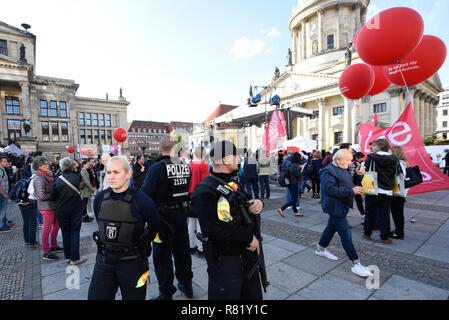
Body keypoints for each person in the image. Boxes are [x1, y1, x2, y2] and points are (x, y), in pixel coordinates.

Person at [191, 140, 265, 300]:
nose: (239, 159)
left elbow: (244, 204)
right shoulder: (205, 190)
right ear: (224, 159)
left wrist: (258, 203)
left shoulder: (231, 182)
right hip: (226, 263)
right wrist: (248, 237)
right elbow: (213, 228)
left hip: (246, 259)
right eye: (235, 155)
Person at [88, 156, 160, 300]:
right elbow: (100, 221)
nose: (111, 177)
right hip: (104, 259)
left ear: (128, 174)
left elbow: (154, 228)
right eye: (109, 172)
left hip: (133, 262)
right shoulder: (101, 198)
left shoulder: (142, 200)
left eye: (116, 172)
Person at [141, 136, 194, 300]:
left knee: (162, 256)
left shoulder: (157, 168)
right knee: (182, 251)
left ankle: (166, 292)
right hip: (181, 215)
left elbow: (145, 194)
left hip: (162, 219)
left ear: (160, 149)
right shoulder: (185, 166)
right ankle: (186, 284)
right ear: (175, 148)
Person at [315, 149, 372, 278]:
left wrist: (360, 174)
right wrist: (351, 191)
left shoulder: (343, 168)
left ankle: (320, 248)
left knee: (331, 227)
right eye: (347, 160)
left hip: (342, 205)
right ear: (338, 159)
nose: (350, 162)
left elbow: (349, 180)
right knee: (345, 233)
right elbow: (330, 190)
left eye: (350, 160)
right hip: (335, 206)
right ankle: (355, 263)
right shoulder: (328, 171)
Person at [50, 158, 86, 265]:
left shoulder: (57, 179)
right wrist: (75, 166)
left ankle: (68, 257)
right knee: (75, 232)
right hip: (75, 209)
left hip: (62, 210)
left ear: (61, 167)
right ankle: (75, 258)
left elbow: (52, 197)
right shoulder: (77, 177)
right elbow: (79, 173)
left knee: (65, 233)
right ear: (72, 166)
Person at [362, 139, 399, 245]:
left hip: (373, 188)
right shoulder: (394, 158)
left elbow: (364, 169)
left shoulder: (371, 157)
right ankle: (385, 237)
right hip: (387, 189)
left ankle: (367, 233)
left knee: (370, 212)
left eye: (374, 145)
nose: (371, 147)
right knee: (385, 214)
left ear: (380, 146)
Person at [32, 156, 63, 261]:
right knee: (47, 229)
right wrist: (54, 194)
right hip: (46, 207)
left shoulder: (47, 175)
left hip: (53, 205)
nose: (47, 165)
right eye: (44, 164)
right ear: (38, 166)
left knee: (57, 225)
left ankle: (53, 245)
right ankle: (46, 252)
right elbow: (41, 196)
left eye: (47, 163)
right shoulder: (38, 178)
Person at [188, 146, 209, 257]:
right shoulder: (204, 166)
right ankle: (201, 248)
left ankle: (191, 246)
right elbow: (204, 183)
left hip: (190, 195)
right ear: (203, 154)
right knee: (201, 223)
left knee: (191, 222)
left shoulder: (189, 165)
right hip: (200, 195)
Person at [389, 146, 408, 240]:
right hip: (400, 191)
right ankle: (398, 230)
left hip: (397, 192)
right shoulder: (402, 162)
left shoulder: (398, 163)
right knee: (398, 213)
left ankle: (399, 233)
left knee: (397, 214)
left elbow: (398, 177)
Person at [277, 152, 304, 217]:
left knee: (293, 198)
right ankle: (281, 208)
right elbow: (299, 175)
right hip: (294, 183)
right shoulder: (295, 165)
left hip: (289, 183)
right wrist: (302, 168)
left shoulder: (290, 164)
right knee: (294, 199)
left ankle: (295, 212)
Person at [352, 152, 366, 223]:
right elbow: (351, 176)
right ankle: (363, 214)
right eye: (361, 158)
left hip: (363, 183)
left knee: (361, 200)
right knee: (358, 200)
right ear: (357, 157)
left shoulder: (363, 164)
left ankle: (364, 214)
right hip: (356, 184)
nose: (362, 159)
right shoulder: (353, 164)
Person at [0, 155, 12, 233]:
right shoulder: (0, 170)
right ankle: (1, 226)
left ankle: (4, 224)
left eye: (6, 161)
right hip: (1, 193)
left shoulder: (3, 170)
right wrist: (3, 193)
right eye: (4, 161)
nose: (6, 163)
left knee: (3, 210)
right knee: (2, 210)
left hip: (4, 192)